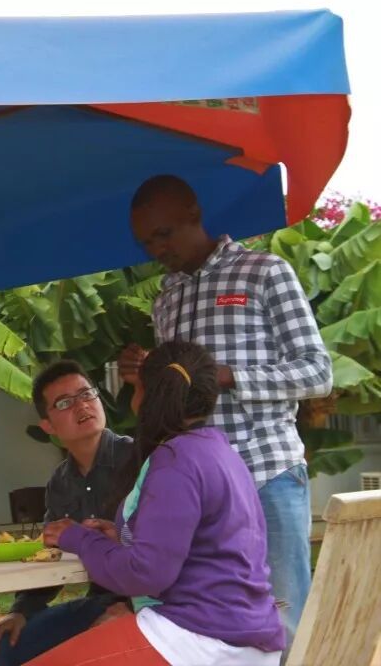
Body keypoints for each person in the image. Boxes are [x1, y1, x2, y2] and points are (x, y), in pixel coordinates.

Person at [119, 174, 332, 649]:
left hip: (266, 472)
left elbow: (318, 372)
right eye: (147, 242)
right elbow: (177, 398)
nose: (157, 249)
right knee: (211, 624)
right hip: (197, 488)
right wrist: (146, 376)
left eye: (164, 234)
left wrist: (231, 376)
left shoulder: (264, 272)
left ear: (194, 214)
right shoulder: (166, 299)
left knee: (284, 618)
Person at [30, 340, 285, 665]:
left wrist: (78, 538)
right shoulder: (217, 450)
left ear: (148, 394)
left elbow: (145, 575)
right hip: (235, 630)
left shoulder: (174, 461)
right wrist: (120, 538)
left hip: (200, 638)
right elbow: (200, 545)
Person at [0, 360, 132, 665]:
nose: (82, 406)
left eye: (86, 394)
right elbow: (50, 552)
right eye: (65, 403)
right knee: (10, 648)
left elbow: (169, 553)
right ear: (48, 427)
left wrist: (133, 608)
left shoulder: (140, 459)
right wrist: (21, 610)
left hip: (150, 602)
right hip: (99, 600)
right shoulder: (60, 483)